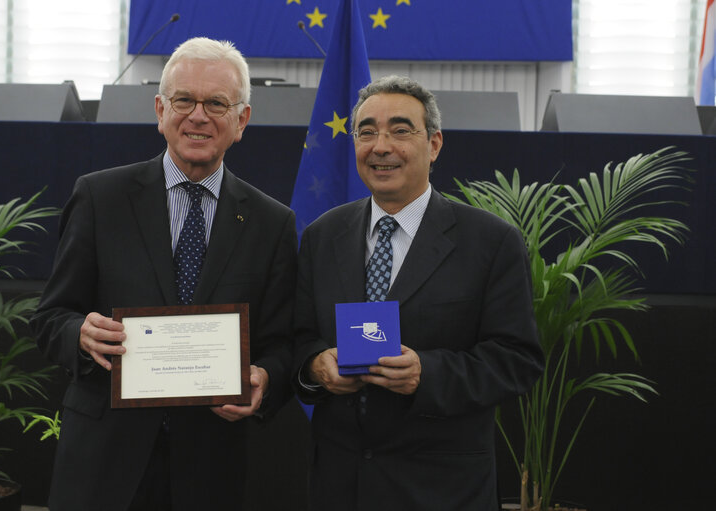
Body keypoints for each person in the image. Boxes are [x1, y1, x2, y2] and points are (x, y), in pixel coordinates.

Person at [32, 37, 297, 511]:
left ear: (242, 121)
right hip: (103, 460)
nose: (198, 115)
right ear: (160, 109)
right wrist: (81, 335)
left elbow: (282, 344)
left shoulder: (272, 222)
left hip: (212, 464)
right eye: (183, 100)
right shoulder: (100, 198)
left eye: (217, 103)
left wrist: (264, 377)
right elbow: (51, 317)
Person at [293, 75, 544, 511]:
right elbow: (296, 337)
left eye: (400, 130)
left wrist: (426, 374)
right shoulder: (321, 236)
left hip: (441, 489)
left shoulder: (490, 242)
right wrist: (315, 366)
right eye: (366, 131)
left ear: (434, 144)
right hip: (339, 485)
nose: (381, 145)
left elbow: (517, 360)